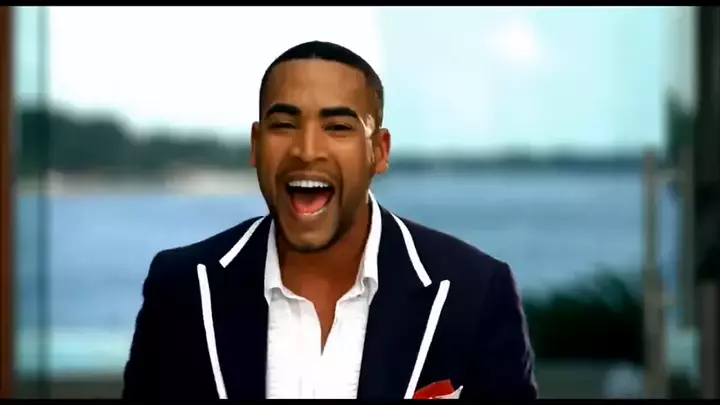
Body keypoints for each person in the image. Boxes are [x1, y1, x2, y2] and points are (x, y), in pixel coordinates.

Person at [122, 40, 537, 400]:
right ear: (256, 145)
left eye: (337, 127)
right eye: (284, 125)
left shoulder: (474, 291)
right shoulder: (182, 287)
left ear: (379, 151)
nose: (306, 150)